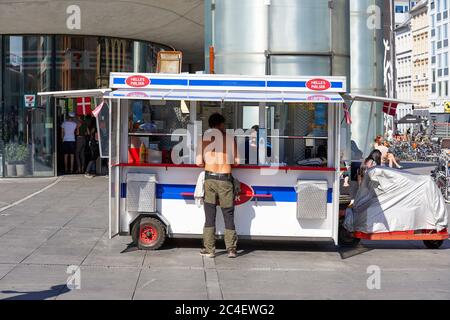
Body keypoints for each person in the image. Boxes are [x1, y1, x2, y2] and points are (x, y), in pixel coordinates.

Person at [196, 113, 239, 259]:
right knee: (228, 214)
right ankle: (231, 250)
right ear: (221, 124)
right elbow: (237, 162)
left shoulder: (204, 139)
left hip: (209, 180)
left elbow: (198, 163)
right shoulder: (230, 139)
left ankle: (209, 249)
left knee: (210, 215)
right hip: (225, 180)